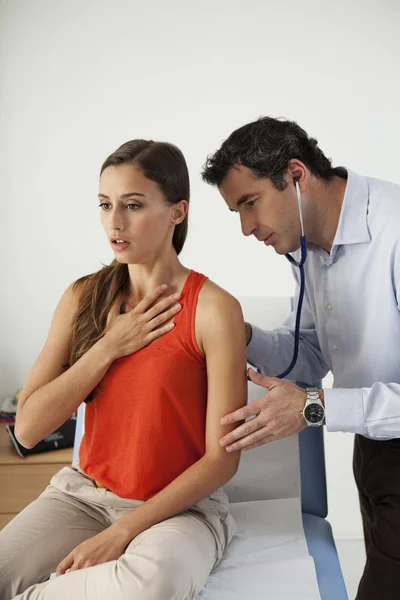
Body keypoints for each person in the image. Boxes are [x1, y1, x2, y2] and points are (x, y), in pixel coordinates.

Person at [0, 139, 247, 600]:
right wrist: (109, 346)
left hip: (181, 511)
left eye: (133, 205)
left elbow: (222, 459)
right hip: (83, 497)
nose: (114, 222)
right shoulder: (81, 299)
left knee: (152, 584)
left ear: (177, 212)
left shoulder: (213, 310)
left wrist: (122, 532)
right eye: (105, 205)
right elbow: (28, 430)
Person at [202, 116, 400, 600]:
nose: (247, 228)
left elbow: (312, 393)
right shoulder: (308, 249)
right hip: (375, 448)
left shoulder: (394, 231)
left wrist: (313, 407)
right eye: (237, 213)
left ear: (295, 174)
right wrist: (236, 332)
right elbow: (309, 355)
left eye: (250, 203)